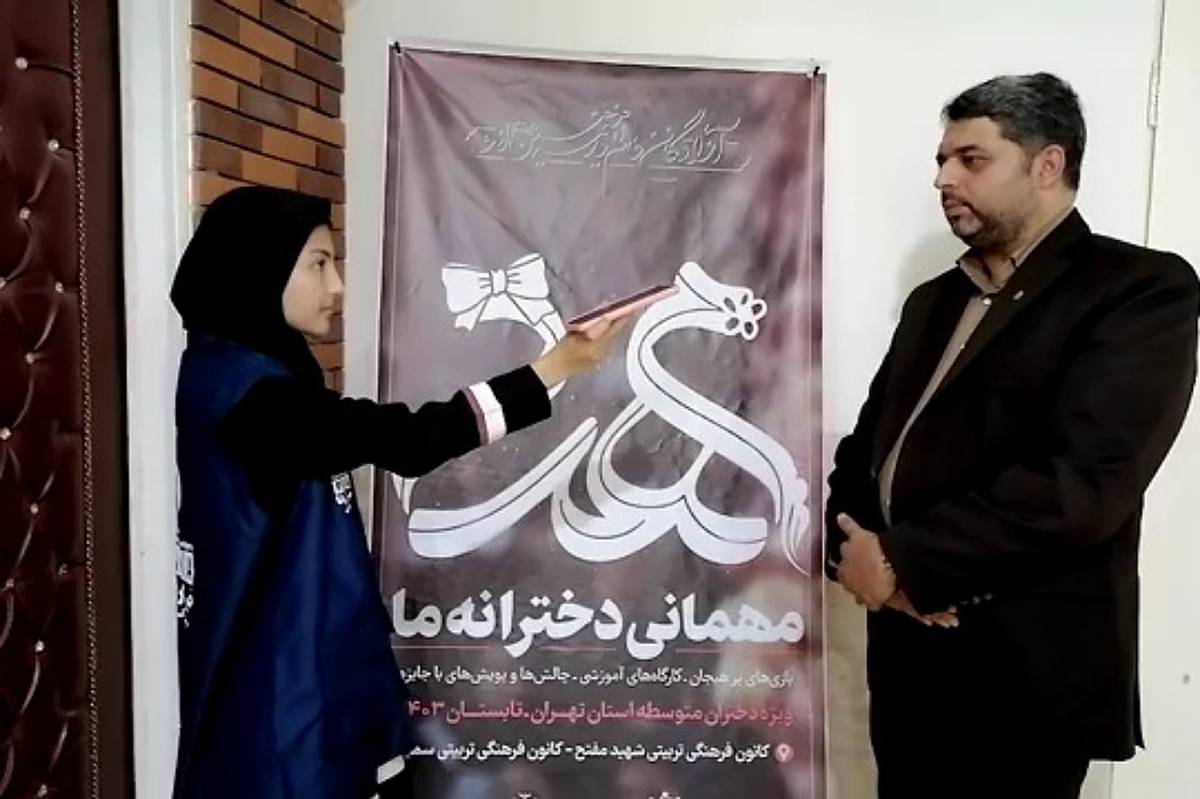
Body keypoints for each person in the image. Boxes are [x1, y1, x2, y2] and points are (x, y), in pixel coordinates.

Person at [170, 186, 628, 798]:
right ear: (260, 268)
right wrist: (556, 367)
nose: (336, 287)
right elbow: (412, 439)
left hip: (298, 689)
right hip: (277, 715)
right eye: (318, 264)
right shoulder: (252, 400)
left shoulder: (247, 375)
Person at [826, 73, 1199, 798]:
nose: (943, 179)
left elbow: (1082, 485)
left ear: (1047, 164)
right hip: (908, 666)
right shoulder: (934, 301)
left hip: (1025, 677)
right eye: (942, 160)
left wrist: (901, 560)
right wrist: (854, 554)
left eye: (971, 159)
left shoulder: (1136, 289)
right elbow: (866, 455)